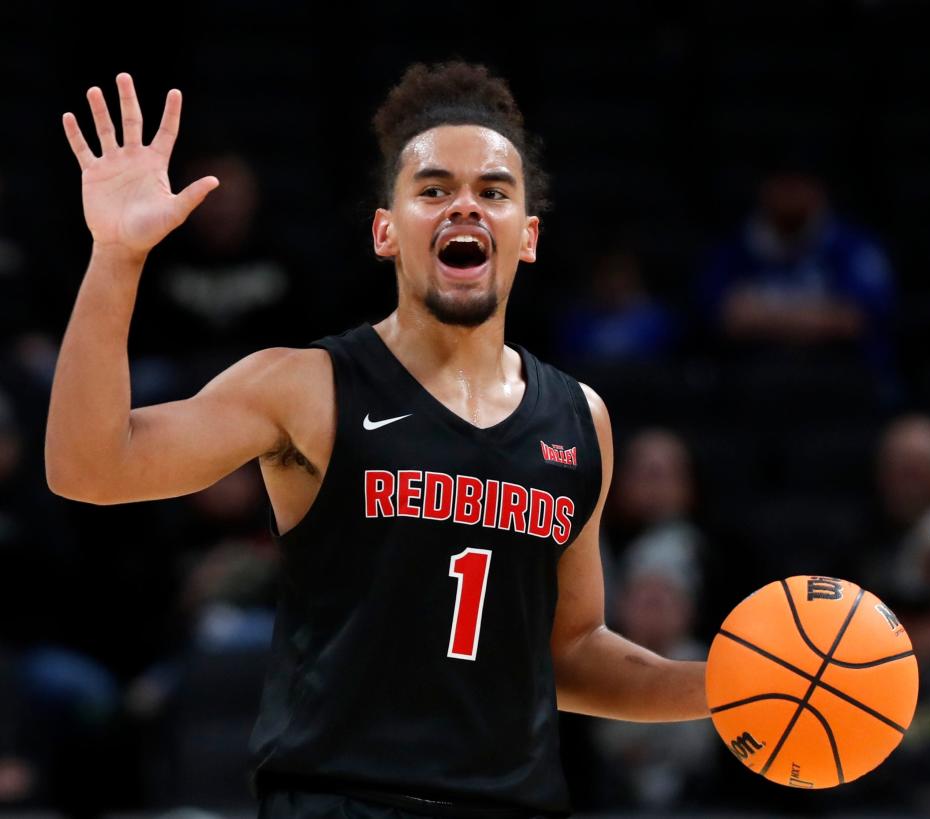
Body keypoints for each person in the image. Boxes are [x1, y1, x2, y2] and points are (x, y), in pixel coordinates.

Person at [45, 63, 709, 818]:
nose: (465, 205)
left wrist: (728, 685)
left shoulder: (578, 418)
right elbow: (88, 468)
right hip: (340, 799)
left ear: (527, 236)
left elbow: (570, 652)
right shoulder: (307, 388)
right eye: (433, 189)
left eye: (492, 191)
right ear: (385, 231)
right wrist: (115, 258)